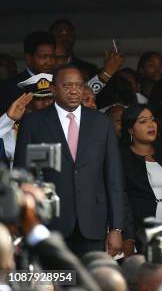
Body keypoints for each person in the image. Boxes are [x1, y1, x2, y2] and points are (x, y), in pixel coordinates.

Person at [14, 64, 125, 257]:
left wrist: (117, 228)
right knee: (57, 282)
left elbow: (114, 179)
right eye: (67, 86)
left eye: (79, 85)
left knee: (89, 283)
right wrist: (26, 223)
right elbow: (23, 177)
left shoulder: (102, 123)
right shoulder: (34, 123)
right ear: (53, 89)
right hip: (50, 223)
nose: (74, 91)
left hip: (93, 222)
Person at [120, 104, 162, 249]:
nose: (151, 125)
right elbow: (121, 198)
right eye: (143, 121)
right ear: (130, 129)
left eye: (152, 119)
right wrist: (128, 236)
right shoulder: (121, 157)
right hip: (140, 231)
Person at [0, 31, 56, 113]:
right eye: (43, 57)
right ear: (28, 58)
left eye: (53, 56)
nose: (50, 62)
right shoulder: (9, 87)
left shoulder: (60, 82)